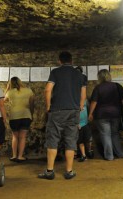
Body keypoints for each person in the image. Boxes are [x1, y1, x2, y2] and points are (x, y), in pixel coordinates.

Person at [38, 51, 86, 180]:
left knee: (53, 139)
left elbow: (48, 89)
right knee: (71, 140)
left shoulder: (55, 72)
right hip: (73, 111)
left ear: (59, 61)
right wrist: (80, 107)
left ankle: (49, 171)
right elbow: (83, 95)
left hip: (57, 111)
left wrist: (48, 106)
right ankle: (69, 171)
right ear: (72, 60)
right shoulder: (80, 75)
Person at [88, 69, 123, 161]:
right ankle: (120, 153)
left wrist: (90, 113)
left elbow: (94, 102)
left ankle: (109, 156)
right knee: (115, 134)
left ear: (99, 77)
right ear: (109, 76)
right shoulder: (117, 86)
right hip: (115, 114)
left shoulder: (98, 88)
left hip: (101, 115)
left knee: (105, 135)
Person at [4, 77, 34, 162]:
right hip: (25, 115)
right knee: (22, 137)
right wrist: (31, 114)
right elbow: (32, 105)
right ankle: (20, 156)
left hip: (14, 117)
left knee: (15, 136)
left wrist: (7, 89)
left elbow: (2, 100)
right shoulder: (29, 91)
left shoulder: (10, 92)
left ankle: (14, 156)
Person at [75, 66, 93, 162]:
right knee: (81, 140)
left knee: (86, 138)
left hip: (84, 122)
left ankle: (88, 152)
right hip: (79, 122)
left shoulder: (84, 98)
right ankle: (84, 155)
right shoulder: (75, 97)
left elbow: (88, 106)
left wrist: (90, 114)